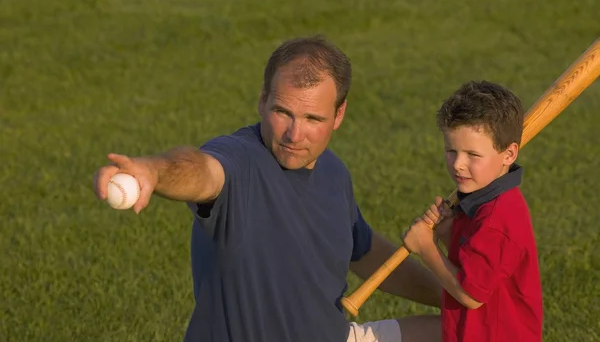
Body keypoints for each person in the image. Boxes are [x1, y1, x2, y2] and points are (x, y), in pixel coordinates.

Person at [93, 35, 443, 342]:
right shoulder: (240, 161)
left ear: (339, 115)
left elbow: (363, 252)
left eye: (313, 119)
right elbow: (200, 170)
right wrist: (154, 171)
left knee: (467, 333)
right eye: (282, 112)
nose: (294, 134)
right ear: (262, 100)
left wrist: (451, 297)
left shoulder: (334, 173)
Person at [402, 80, 544, 341]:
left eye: (472, 155)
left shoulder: (497, 219)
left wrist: (426, 249)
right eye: (451, 151)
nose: (458, 164)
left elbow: (471, 294)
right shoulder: (481, 198)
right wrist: (447, 233)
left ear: (509, 154)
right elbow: (472, 263)